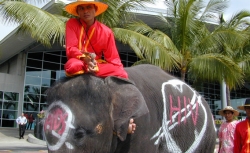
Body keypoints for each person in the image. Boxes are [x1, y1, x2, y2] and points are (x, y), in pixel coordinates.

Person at [64, 0, 135, 133]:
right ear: (78, 11)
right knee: (73, 66)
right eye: (82, 8)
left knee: (122, 73)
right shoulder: (72, 24)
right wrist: (85, 59)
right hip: (78, 61)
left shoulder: (106, 31)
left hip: (97, 65)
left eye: (89, 7)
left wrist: (96, 66)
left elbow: (114, 60)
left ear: (95, 9)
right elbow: (71, 49)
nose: (85, 11)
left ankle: (122, 118)